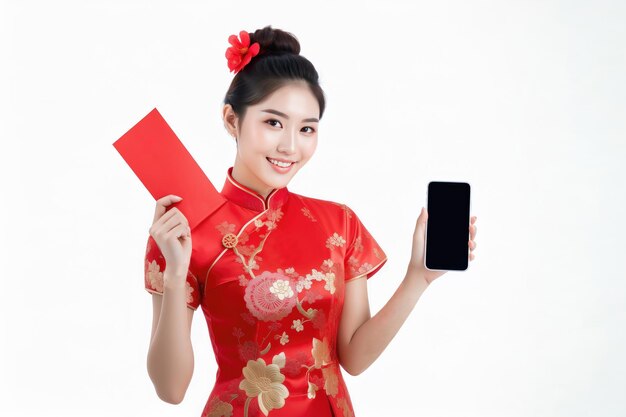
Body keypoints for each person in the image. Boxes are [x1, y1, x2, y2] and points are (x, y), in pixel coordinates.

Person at [143, 25, 479, 417]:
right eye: (273, 123)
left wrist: (417, 279)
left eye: (306, 129)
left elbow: (354, 357)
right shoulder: (185, 231)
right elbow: (171, 389)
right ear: (232, 120)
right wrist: (173, 274)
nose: (290, 146)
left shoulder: (338, 223)